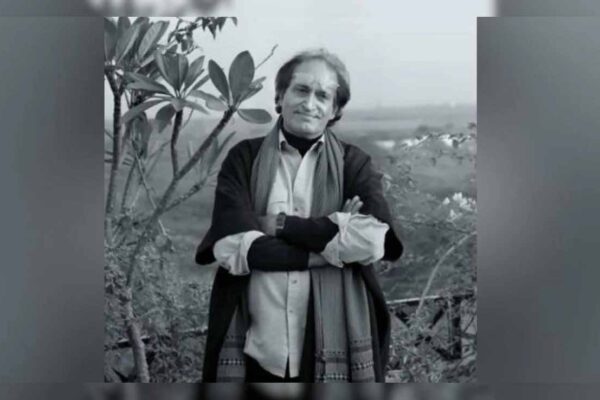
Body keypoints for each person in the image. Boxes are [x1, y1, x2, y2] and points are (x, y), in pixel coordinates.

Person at [195, 48, 403, 382]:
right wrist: (330, 245)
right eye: (301, 90)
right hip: (257, 348)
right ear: (280, 97)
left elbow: (371, 242)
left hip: (336, 345)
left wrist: (278, 225)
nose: (310, 103)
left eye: (323, 96)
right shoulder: (244, 159)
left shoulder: (354, 163)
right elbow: (231, 248)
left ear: (335, 110)